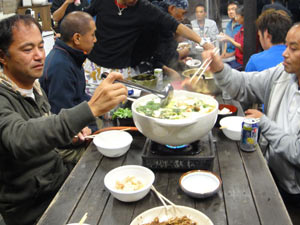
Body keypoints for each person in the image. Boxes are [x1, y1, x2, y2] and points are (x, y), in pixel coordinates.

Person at [0, 14, 127, 225]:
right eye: (27, 49)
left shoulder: (34, 86)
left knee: (119, 181)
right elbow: (20, 138)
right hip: (34, 205)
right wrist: (90, 108)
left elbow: (45, 126)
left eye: (41, 46)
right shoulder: (4, 96)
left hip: (57, 179)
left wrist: (69, 136)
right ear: (3, 56)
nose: (39, 55)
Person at [184, 22, 300, 224]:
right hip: (273, 174)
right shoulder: (282, 74)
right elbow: (245, 84)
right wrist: (219, 68)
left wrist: (263, 122)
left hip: (295, 192)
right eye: (287, 45)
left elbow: (297, 153)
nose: (284, 53)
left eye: (294, 48)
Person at [83, 0, 211, 88]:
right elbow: (82, 17)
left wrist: (203, 42)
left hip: (121, 70)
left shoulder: (143, 7)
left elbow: (175, 25)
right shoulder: (102, 2)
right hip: (94, 66)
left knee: (119, 114)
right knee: (92, 112)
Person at [40, 11, 98, 131]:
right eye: (92, 35)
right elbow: (63, 119)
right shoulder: (61, 66)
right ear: (77, 38)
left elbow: (79, 97)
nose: (95, 40)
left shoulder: (72, 56)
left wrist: (101, 105)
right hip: (66, 142)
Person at [131, 0, 190, 79]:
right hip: (134, 65)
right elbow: (167, 57)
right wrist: (184, 52)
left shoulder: (155, 8)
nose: (182, 18)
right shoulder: (162, 20)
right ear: (172, 8)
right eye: (182, 13)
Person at [219, 6, 244, 70]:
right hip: (233, 57)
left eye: (233, 9)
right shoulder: (229, 24)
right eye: (229, 10)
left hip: (239, 59)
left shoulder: (243, 28)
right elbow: (230, 40)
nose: (231, 12)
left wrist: (228, 38)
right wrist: (224, 53)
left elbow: (241, 47)